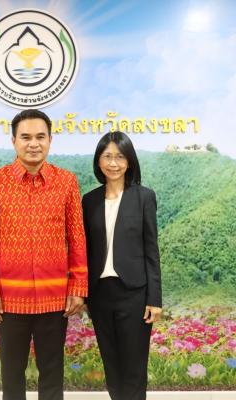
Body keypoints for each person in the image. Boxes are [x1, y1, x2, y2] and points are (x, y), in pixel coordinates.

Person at [0, 109, 88, 400]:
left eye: (40, 137)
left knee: (52, 372)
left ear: (50, 140)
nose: (33, 143)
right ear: (13, 141)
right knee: (12, 373)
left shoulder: (66, 181)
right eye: (25, 137)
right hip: (8, 298)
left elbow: (77, 238)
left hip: (55, 298)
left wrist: (78, 287)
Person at [82, 131, 162, 400]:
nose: (113, 163)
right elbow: (86, 251)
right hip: (100, 295)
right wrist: (83, 294)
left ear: (129, 161)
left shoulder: (144, 197)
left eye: (120, 156)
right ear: (98, 161)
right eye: (107, 156)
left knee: (134, 368)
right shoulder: (89, 200)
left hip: (134, 295)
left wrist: (154, 299)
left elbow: (151, 251)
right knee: (112, 366)